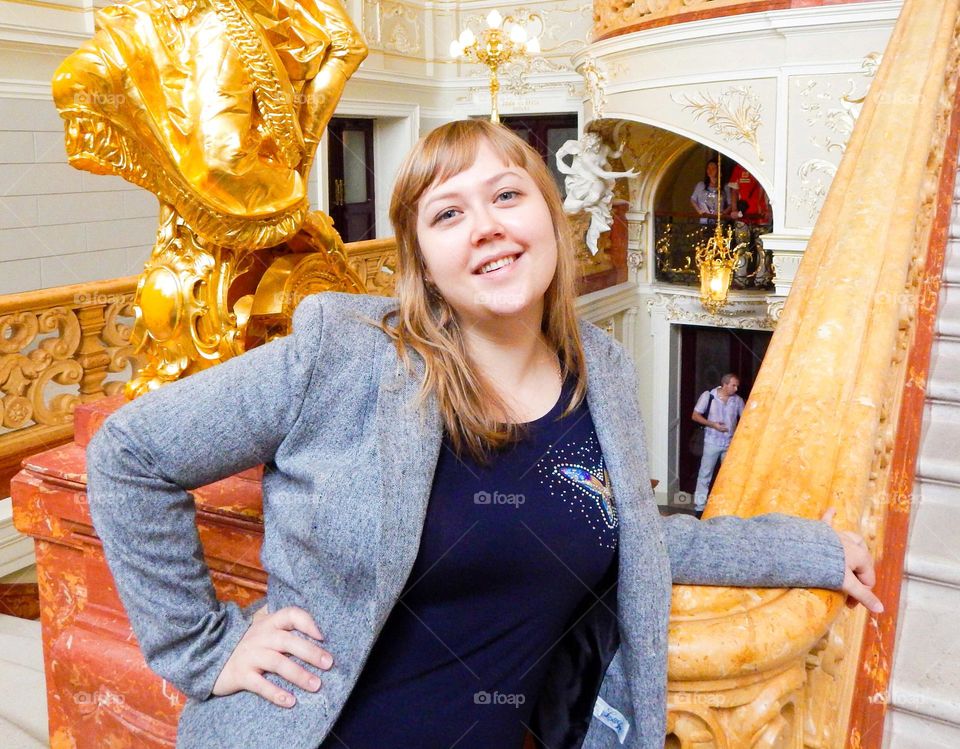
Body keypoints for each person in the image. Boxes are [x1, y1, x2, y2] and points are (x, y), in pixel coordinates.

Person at [85, 120, 881, 749]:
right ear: (424, 262)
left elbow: (632, 538)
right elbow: (129, 456)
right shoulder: (345, 354)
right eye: (448, 213)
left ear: (551, 220)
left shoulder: (599, 372)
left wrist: (809, 549)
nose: (487, 227)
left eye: (508, 196)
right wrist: (201, 646)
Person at [691, 373, 745, 516]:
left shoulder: (738, 401)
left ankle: (727, 507)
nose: (736, 388)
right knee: (705, 474)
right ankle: (699, 508)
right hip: (712, 442)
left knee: (729, 476)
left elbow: (745, 419)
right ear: (725, 384)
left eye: (737, 385)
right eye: (733, 385)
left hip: (729, 443)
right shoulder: (709, 396)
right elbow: (695, 415)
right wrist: (713, 424)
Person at [689, 159, 728, 226]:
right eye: (708, 168)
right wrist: (699, 210)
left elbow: (730, 204)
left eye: (713, 168)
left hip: (719, 222)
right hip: (704, 221)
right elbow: (693, 199)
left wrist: (723, 213)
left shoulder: (725, 187)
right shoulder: (701, 185)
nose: (710, 170)